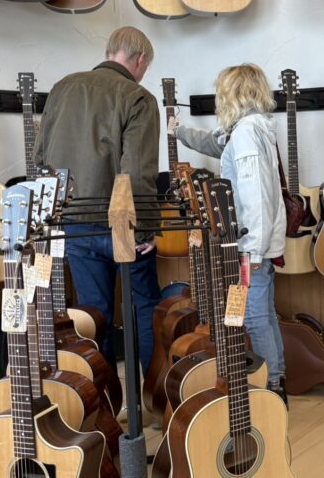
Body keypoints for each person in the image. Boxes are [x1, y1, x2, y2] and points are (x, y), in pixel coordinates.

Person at [34, 26, 162, 374]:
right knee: (145, 305)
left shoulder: (62, 88)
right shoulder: (138, 97)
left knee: (93, 315)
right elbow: (137, 173)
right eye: (145, 67)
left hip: (72, 223)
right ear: (140, 59)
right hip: (122, 224)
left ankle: (101, 399)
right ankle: (154, 394)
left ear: (110, 52)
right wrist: (145, 229)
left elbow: (40, 158)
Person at [169, 63, 288, 402]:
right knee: (264, 315)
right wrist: (178, 131)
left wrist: (250, 250)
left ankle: (270, 389)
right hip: (257, 243)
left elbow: (255, 197)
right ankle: (277, 382)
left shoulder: (247, 133)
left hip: (251, 246)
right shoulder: (250, 129)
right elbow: (215, 143)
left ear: (232, 94)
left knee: (255, 318)